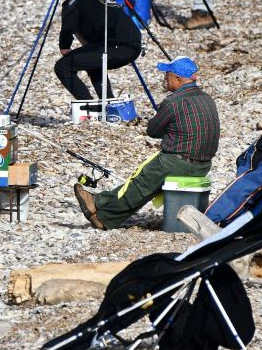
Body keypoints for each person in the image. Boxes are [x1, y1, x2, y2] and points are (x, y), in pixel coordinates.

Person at [74, 56, 219, 229]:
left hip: (178, 162)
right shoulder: (207, 98)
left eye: (168, 75)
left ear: (178, 78)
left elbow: (152, 131)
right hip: (204, 165)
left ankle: (103, 217)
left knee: (142, 183)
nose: (165, 78)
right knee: (146, 181)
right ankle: (98, 203)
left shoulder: (173, 102)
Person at [54, 0, 142, 102]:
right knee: (91, 58)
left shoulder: (72, 3)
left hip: (116, 47)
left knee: (62, 66)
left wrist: (64, 47)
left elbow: (67, 30)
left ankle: (86, 103)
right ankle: (107, 101)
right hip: (133, 43)